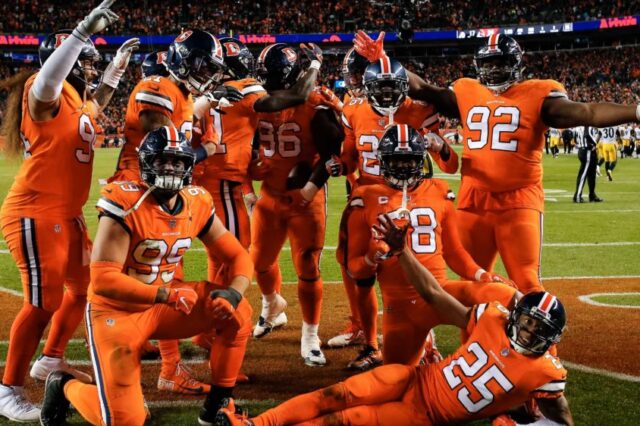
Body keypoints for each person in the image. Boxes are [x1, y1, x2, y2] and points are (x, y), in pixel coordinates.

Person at [215, 215, 573, 426]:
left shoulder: (546, 372)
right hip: (415, 377)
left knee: (346, 420)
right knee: (338, 393)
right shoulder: (492, 318)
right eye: (527, 321)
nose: (529, 331)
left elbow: (560, 420)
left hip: (425, 414)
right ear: (517, 315)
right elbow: (434, 295)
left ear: (551, 336)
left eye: (539, 330)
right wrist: (403, 253)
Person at [354, 31, 640, 294]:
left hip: (519, 200)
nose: (493, 70)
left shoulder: (539, 92)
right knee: (472, 279)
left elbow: (587, 112)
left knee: (527, 280)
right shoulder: (466, 90)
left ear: (516, 64)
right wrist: (383, 61)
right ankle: (477, 342)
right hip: (474, 200)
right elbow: (424, 90)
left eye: (499, 63)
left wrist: (635, 111)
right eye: (488, 64)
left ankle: (542, 348)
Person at [38, 126, 254, 426]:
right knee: (127, 421)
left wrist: (234, 291)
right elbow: (102, 280)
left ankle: (217, 404)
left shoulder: (196, 201)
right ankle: (64, 385)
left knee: (238, 311)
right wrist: (166, 294)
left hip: (164, 304)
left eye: (177, 162)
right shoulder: (126, 202)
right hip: (116, 312)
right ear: (145, 164)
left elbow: (238, 256)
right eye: (163, 160)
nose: (170, 168)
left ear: (188, 166)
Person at [0, 1, 133, 421]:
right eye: (88, 63)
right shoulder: (43, 90)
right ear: (70, 60)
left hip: (66, 217)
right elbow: (47, 85)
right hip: (35, 212)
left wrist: (115, 73)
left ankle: (51, 358)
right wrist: (78, 34)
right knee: (41, 303)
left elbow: (98, 104)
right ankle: (7, 390)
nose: (91, 70)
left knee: (87, 287)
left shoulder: (75, 101)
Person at [344, 124, 517, 368]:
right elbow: (355, 268)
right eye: (397, 160)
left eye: (409, 160)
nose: (403, 166)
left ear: (421, 160)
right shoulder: (365, 197)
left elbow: (454, 251)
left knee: (511, 297)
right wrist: (372, 258)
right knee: (396, 381)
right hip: (401, 307)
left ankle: (526, 389)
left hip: (442, 292)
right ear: (383, 162)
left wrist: (481, 274)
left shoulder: (438, 190)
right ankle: (423, 349)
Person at [328, 56, 458, 369]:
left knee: (408, 270)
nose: (386, 95)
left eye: (393, 88)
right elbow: (349, 159)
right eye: (380, 88)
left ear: (405, 88)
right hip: (366, 197)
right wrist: (337, 165)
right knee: (355, 268)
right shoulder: (354, 110)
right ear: (367, 87)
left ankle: (425, 341)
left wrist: (439, 146)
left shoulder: (418, 111)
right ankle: (368, 338)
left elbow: (450, 164)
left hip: (406, 197)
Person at [249, 43, 344, 366]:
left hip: (306, 198)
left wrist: (310, 187)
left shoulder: (316, 104)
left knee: (307, 266)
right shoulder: (256, 102)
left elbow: (333, 150)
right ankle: (271, 306)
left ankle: (310, 335)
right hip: (270, 195)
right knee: (258, 261)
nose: (267, 86)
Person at [573, 126, 603, 203]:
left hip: (585, 150)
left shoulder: (578, 127)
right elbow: (587, 135)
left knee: (592, 175)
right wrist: (594, 144)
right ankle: (577, 196)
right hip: (587, 151)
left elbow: (575, 139)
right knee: (583, 175)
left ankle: (592, 195)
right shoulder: (587, 125)